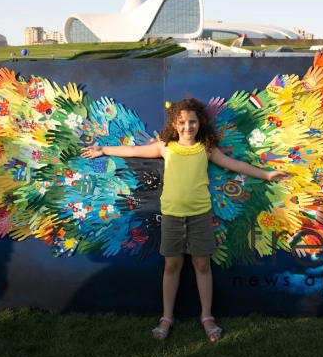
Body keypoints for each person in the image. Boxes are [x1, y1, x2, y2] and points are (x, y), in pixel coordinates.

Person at [81, 98, 287, 342]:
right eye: (182, 122)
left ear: (199, 122)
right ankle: (166, 317)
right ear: (175, 124)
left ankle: (207, 317)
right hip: (171, 216)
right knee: (171, 266)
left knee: (202, 266)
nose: (187, 126)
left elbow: (236, 165)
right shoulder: (165, 147)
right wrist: (103, 150)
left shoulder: (206, 149)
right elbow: (134, 151)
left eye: (192, 121)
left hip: (200, 216)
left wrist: (266, 174)